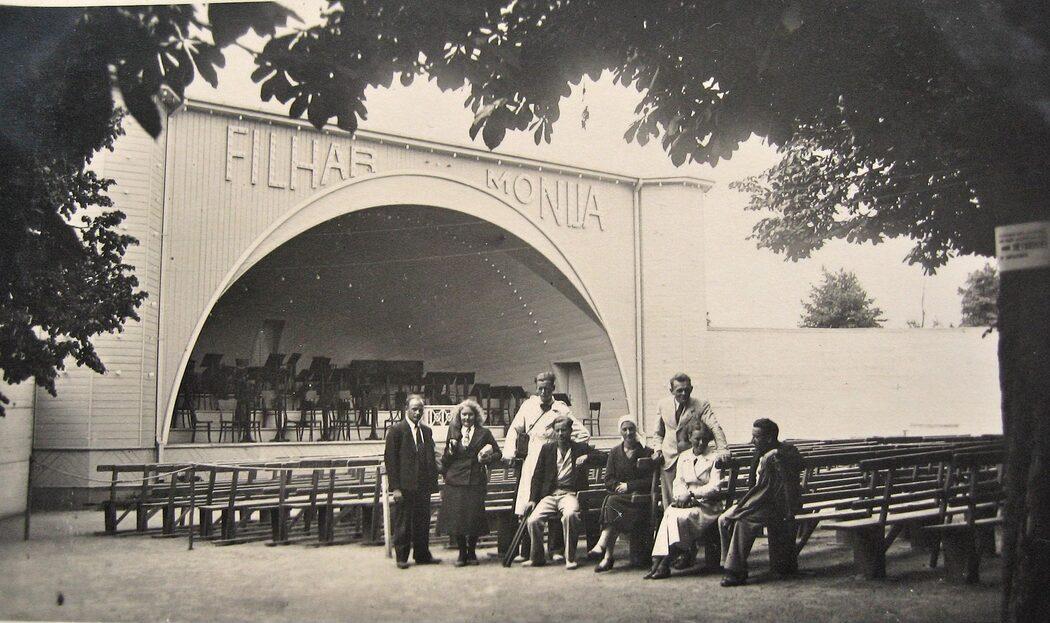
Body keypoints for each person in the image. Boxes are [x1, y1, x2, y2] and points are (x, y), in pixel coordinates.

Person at [503, 371, 590, 561]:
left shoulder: (560, 409)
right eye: (540, 388)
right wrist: (509, 452)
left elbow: (583, 433)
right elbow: (514, 429)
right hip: (532, 459)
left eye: (547, 389)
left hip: (552, 459)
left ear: (553, 388)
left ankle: (556, 550)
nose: (543, 392)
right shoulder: (528, 406)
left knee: (554, 498)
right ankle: (527, 552)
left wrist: (569, 447)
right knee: (529, 502)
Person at [718, 418, 803, 587]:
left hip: (777, 505)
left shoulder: (785, 450)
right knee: (723, 519)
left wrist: (776, 453)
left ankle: (734, 571)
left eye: (756, 437)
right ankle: (733, 564)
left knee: (742, 521)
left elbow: (800, 462)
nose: (752, 441)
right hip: (757, 502)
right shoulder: (759, 452)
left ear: (769, 438)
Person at [644, 418, 724, 579]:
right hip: (686, 503)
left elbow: (715, 486)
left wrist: (693, 495)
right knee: (669, 513)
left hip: (707, 506)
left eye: (704, 439)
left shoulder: (715, 457)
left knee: (678, 517)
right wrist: (681, 497)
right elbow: (678, 482)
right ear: (689, 438)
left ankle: (664, 561)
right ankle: (658, 561)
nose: (701, 443)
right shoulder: (684, 456)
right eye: (697, 439)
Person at [523, 415, 602, 569]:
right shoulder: (547, 449)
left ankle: (570, 558)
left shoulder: (579, 448)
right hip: (550, 495)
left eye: (564, 430)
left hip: (570, 495)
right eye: (557, 430)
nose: (560, 434)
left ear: (570, 431)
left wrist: (587, 457)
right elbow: (537, 476)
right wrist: (532, 499)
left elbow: (603, 456)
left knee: (570, 515)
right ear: (554, 431)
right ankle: (537, 558)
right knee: (533, 520)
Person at [650, 373, 729, 511]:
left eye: (687, 390)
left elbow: (715, 427)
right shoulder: (662, 405)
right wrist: (658, 450)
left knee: (690, 500)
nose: (684, 393)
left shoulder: (701, 404)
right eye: (679, 390)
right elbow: (657, 433)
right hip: (668, 459)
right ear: (671, 391)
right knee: (670, 502)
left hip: (691, 457)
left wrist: (722, 449)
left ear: (691, 389)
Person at [439, 399, 503, 566]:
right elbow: (446, 458)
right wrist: (450, 450)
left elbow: (498, 453)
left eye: (470, 415)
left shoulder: (484, 433)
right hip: (455, 480)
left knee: (474, 517)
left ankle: (472, 551)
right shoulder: (453, 431)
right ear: (459, 416)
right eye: (464, 415)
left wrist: (487, 458)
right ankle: (462, 553)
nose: (467, 418)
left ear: (476, 416)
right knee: (458, 518)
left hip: (475, 480)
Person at [588, 415, 655, 572]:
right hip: (620, 500)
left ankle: (606, 553)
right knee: (612, 503)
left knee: (611, 503)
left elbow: (650, 480)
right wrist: (618, 486)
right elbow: (608, 479)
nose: (628, 432)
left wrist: (628, 486)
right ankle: (606, 554)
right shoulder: (615, 452)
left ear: (636, 430)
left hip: (639, 501)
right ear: (620, 431)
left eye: (631, 429)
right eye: (624, 429)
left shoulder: (646, 451)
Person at [384, 394, 441, 569]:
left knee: (422, 521)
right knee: (403, 523)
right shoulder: (396, 431)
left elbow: (430, 456)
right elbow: (391, 461)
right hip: (405, 486)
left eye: (420, 410)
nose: (417, 413)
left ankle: (422, 555)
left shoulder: (426, 431)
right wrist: (395, 488)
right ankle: (401, 557)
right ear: (406, 409)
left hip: (423, 485)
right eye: (414, 409)